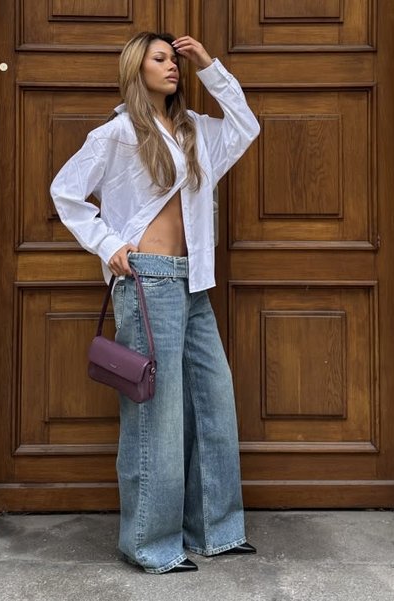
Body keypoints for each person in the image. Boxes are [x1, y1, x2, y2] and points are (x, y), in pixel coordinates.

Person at [50, 31, 261, 574]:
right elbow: (65, 191)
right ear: (136, 68)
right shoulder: (118, 133)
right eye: (161, 59)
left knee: (214, 400)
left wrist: (211, 67)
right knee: (157, 416)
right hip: (147, 280)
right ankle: (152, 543)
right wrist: (110, 245)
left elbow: (247, 127)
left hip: (193, 281)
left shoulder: (194, 131)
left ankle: (216, 530)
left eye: (175, 60)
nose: (173, 67)